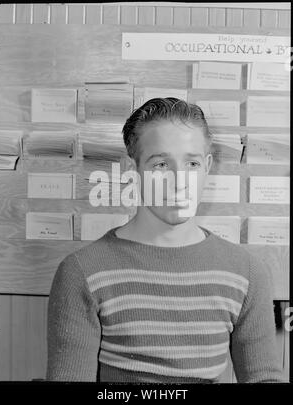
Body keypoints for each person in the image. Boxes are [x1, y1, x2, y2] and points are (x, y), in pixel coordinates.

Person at [46, 98, 284, 383]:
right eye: (160, 164)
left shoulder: (246, 273)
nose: (179, 180)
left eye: (192, 163)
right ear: (132, 169)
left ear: (207, 167)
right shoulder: (82, 272)